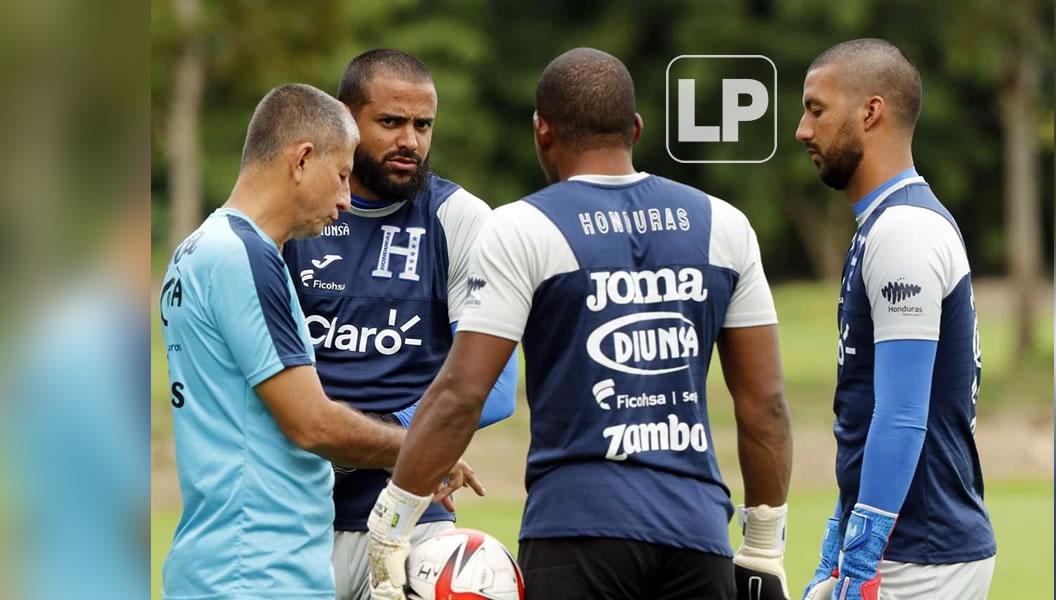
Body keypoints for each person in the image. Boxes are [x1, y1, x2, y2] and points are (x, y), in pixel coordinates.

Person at [362, 47, 794, 600]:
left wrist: (392, 524)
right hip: (697, 533)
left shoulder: (522, 227)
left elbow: (462, 393)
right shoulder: (725, 225)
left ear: (542, 131)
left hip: (574, 533)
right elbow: (766, 405)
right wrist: (762, 548)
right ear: (635, 129)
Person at [159, 83, 474, 600]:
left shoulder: (198, 248)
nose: (347, 200)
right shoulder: (247, 256)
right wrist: (423, 449)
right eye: (343, 176)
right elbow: (312, 423)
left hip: (228, 562)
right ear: (302, 160)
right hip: (256, 571)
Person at [281, 49, 518, 600]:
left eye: (423, 125)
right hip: (291, 519)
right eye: (390, 122)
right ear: (344, 118)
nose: (410, 140)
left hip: (412, 514)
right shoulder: (290, 218)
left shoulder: (462, 219)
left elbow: (498, 389)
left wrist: (377, 440)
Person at [793, 39, 996, 600]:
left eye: (815, 109)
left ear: (870, 112)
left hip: (918, 557)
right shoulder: (887, 223)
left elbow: (903, 414)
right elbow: (864, 410)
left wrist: (859, 561)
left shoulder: (903, 230)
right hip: (912, 551)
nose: (802, 131)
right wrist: (838, 538)